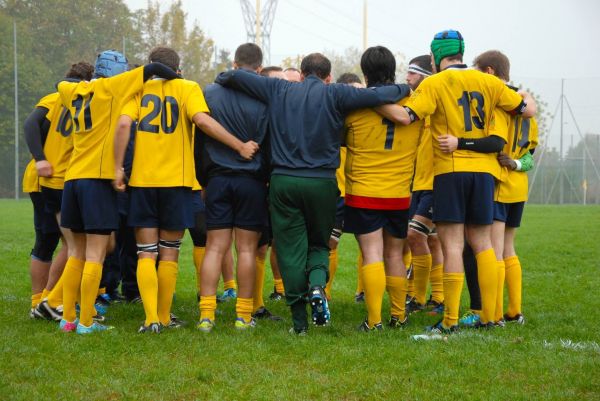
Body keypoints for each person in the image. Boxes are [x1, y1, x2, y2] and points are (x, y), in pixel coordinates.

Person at [215, 52, 411, 334]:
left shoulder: (279, 87)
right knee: (319, 244)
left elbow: (235, 77)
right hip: (322, 182)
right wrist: (405, 88)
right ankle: (318, 285)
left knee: (290, 249)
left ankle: (299, 322)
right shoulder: (337, 93)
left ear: (303, 74)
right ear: (328, 76)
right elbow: (379, 95)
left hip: (284, 181)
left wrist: (225, 76)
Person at [379, 29, 536, 333]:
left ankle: (449, 321)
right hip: (486, 173)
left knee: (452, 245)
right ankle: (490, 316)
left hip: (450, 170)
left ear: (436, 57)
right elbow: (525, 109)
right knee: (483, 244)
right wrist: (525, 96)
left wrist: (367, 99)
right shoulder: (489, 81)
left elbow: (405, 117)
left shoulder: (435, 83)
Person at [114, 46, 258, 333]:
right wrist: (239, 145)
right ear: (177, 68)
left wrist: (118, 168)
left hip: (142, 181)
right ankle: (166, 317)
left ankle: (151, 318)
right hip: (176, 183)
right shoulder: (187, 87)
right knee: (169, 253)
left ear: (150, 66)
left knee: (146, 253)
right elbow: (203, 121)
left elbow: (122, 124)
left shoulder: (138, 88)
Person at [57, 50, 181, 334]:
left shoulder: (71, 89)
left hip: (73, 178)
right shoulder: (114, 87)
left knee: (76, 252)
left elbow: (59, 85)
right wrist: (175, 77)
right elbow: (155, 68)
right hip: (97, 179)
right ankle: (86, 321)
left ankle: (67, 319)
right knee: (95, 255)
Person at [343, 46, 422, 331]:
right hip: (399, 192)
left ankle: (374, 320)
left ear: (365, 73)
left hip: (363, 190)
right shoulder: (414, 102)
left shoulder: (355, 104)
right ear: (394, 70)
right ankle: (399, 316)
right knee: (394, 254)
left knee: (373, 254)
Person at [196, 43, 272, 331]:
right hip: (251, 180)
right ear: (260, 68)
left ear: (234, 63)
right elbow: (270, 143)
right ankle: (243, 315)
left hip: (217, 178)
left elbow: (199, 142)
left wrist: (203, 179)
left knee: (215, 247)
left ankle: (207, 315)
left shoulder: (210, 93)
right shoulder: (265, 97)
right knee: (247, 250)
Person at [26, 62, 95, 321]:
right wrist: (41, 158)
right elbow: (30, 125)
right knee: (66, 243)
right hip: (55, 180)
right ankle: (46, 301)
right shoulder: (75, 100)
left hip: (48, 179)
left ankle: (45, 300)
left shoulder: (59, 98)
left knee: (58, 242)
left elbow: (33, 126)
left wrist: (40, 158)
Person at [473, 50, 539, 325]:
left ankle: (495, 314)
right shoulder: (527, 109)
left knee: (495, 250)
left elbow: (493, 141)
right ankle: (514, 310)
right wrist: (516, 163)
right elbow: (529, 157)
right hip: (519, 187)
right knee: (509, 248)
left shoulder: (499, 102)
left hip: (499, 183)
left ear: (489, 72)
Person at [403, 55, 444, 315]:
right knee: (432, 241)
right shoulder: (416, 103)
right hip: (418, 182)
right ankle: (437, 298)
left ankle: (418, 297)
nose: (407, 78)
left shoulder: (440, 99)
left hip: (437, 182)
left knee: (415, 235)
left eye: (413, 74)